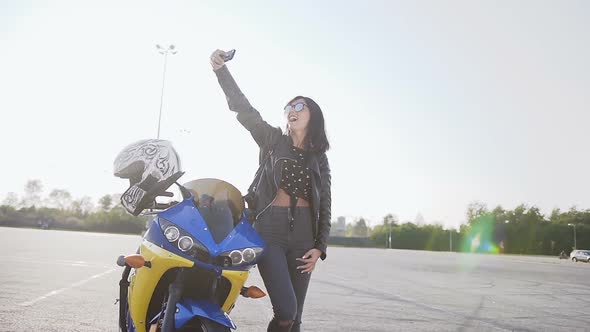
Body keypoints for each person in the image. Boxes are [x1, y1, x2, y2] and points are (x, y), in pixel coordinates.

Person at [210, 49, 332, 332]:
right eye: (289, 107)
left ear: (313, 115)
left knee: (296, 319)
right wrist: (221, 72)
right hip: (270, 232)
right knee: (286, 311)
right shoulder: (273, 140)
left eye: (300, 106)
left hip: (304, 236)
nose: (292, 110)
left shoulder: (319, 157)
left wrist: (319, 247)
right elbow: (244, 110)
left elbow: (325, 203)